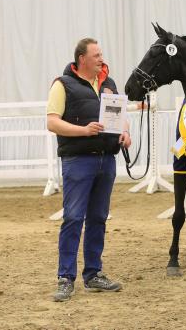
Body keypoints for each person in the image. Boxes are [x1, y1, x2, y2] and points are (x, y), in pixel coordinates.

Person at [47, 38, 131, 302]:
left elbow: (121, 114)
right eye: (96, 55)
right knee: (73, 218)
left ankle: (93, 273)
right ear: (82, 59)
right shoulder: (62, 85)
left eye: (101, 55)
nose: (101, 59)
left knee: (98, 218)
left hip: (106, 160)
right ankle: (65, 278)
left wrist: (125, 132)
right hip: (78, 161)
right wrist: (83, 131)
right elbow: (52, 123)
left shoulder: (109, 83)